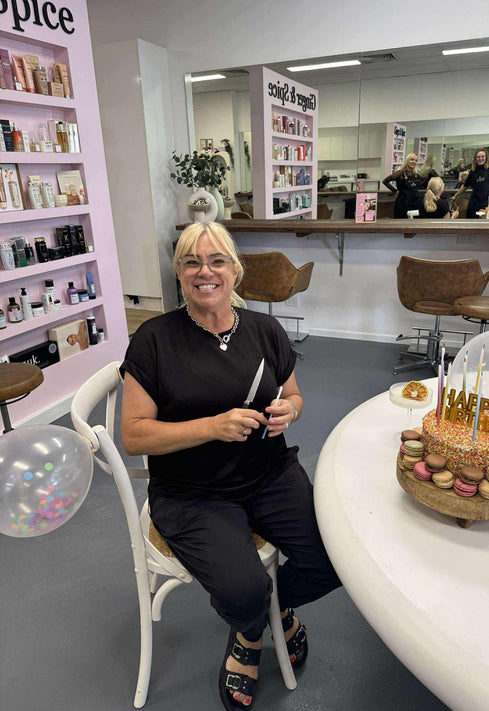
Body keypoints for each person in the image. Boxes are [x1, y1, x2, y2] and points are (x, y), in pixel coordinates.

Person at [120, 222, 341, 710]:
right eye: (191, 262)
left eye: (217, 260)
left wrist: (292, 411)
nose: (205, 271)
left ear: (235, 270)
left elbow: (294, 394)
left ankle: (275, 609)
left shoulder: (265, 330)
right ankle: (251, 633)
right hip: (191, 491)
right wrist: (210, 427)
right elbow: (133, 434)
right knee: (243, 592)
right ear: (178, 272)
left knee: (337, 559)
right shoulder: (154, 340)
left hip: (267, 474)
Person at [383, 153, 428, 218]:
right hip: (402, 204)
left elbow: (423, 180)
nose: (414, 162)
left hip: (415, 203)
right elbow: (385, 181)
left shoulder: (417, 174)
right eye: (412, 160)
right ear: (407, 161)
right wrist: (395, 191)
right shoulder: (400, 173)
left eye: (416, 160)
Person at [452, 149, 489, 218]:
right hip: (474, 202)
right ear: (475, 158)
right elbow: (465, 185)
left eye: (483, 157)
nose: (480, 159)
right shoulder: (473, 171)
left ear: (486, 157)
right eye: (478, 157)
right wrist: (456, 195)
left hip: (486, 203)